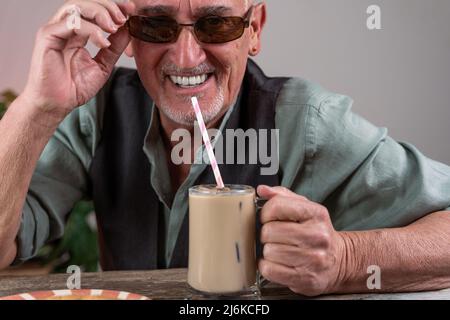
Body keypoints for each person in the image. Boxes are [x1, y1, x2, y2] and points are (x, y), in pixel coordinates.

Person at [0, 0, 449, 297]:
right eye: (157, 25)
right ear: (130, 37)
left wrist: (346, 259)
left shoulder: (308, 122)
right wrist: (36, 107)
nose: (186, 57)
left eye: (216, 23)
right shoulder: (94, 114)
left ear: (254, 29)